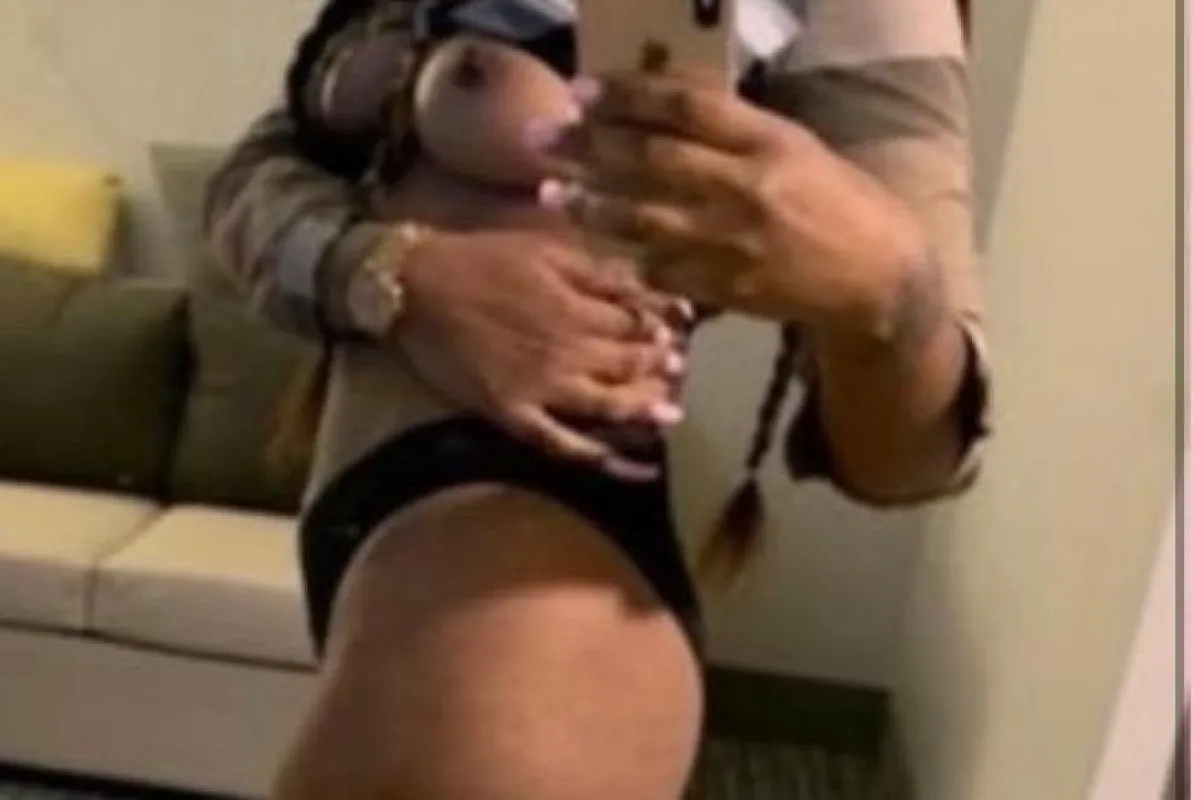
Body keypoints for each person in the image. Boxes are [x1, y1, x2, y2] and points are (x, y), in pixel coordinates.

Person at [202, 0, 990, 797]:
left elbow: (916, 454)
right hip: (372, 502)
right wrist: (387, 274)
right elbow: (250, 181)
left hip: (533, 542)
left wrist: (889, 287)